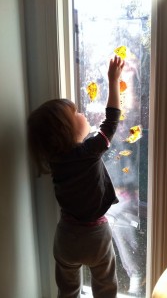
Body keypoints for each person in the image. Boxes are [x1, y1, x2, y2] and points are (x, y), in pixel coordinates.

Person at [27, 55, 125, 298]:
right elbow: (110, 122)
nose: (82, 114)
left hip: (66, 237)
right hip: (95, 237)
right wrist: (113, 81)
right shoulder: (88, 152)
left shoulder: (54, 158)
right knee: (105, 285)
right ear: (66, 130)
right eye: (77, 113)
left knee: (67, 290)